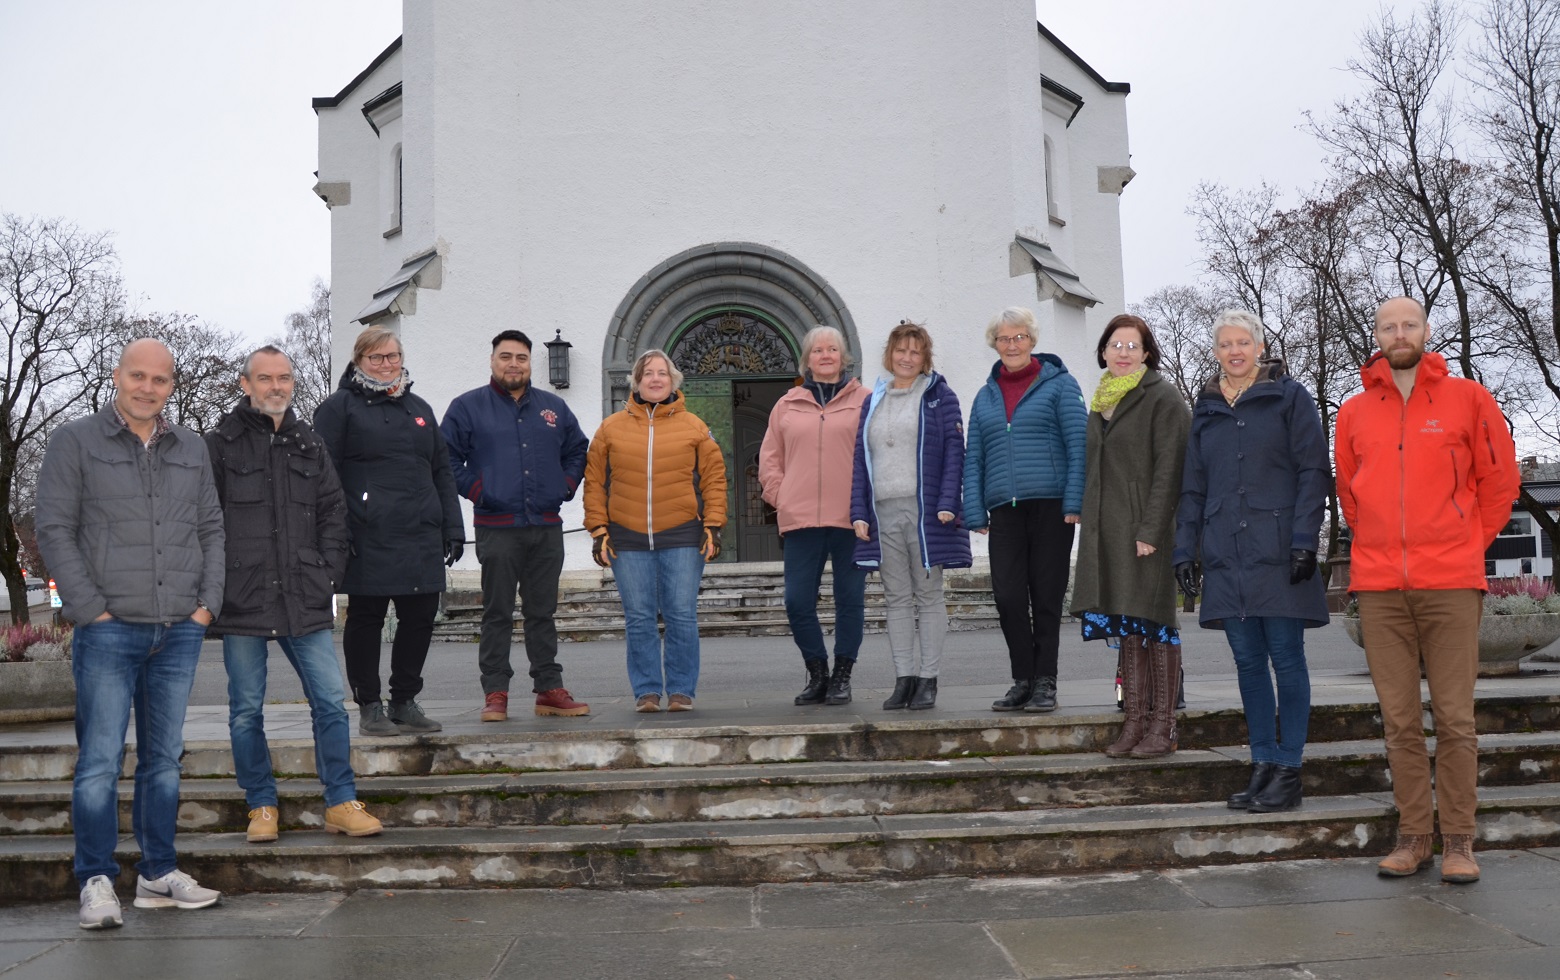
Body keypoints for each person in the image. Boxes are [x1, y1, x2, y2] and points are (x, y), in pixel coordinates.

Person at [35, 338, 226, 929]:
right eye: (137, 375)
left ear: (172, 386)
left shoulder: (191, 447)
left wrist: (206, 606)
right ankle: (95, 879)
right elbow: (54, 528)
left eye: (160, 379)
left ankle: (157, 874)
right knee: (98, 761)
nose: (147, 387)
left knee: (164, 760)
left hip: (179, 629)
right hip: (108, 630)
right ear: (116, 376)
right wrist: (90, 610)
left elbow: (212, 528)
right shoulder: (75, 441)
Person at [1337, 296, 1519, 884]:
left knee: (1455, 718)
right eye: (1387, 326)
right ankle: (1414, 836)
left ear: (1425, 331)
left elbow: (1500, 480)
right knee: (1399, 720)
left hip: (1450, 582)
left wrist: (1466, 542)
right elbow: (1350, 493)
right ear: (1377, 335)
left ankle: (1460, 841)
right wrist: (1377, 543)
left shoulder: (1469, 399)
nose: (1399, 333)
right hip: (1381, 586)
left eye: (1408, 324)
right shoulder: (1354, 411)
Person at [206, 346, 384, 845]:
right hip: (242, 599)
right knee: (245, 709)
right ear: (246, 384)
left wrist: (326, 574)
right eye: (265, 378)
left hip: (303, 596)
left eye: (284, 377)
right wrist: (215, 583)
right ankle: (261, 805)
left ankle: (341, 801)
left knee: (330, 701)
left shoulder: (310, 443)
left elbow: (334, 513)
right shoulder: (219, 444)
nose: (276, 386)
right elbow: (205, 520)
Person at [1172, 311, 1329, 814]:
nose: (1235, 351)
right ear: (1215, 351)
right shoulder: (1206, 409)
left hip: (1279, 550)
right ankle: (1262, 763)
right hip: (1225, 554)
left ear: (1261, 347)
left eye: (1244, 342)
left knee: (1285, 657)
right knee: (1247, 663)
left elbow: (1312, 471)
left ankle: (1289, 770)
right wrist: (1184, 548)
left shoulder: (1290, 397)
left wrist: (1305, 540)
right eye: (1225, 344)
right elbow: (1193, 486)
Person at [313, 326, 464, 736]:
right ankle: (369, 705)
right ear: (359, 361)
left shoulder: (419, 408)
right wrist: (336, 533)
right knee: (366, 617)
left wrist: (453, 526)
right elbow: (323, 476)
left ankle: (404, 701)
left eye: (392, 356)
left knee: (420, 616)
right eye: (376, 358)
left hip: (420, 533)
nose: (386, 364)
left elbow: (441, 471)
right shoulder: (339, 408)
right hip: (367, 534)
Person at [442, 330, 591, 721]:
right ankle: (496, 693)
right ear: (492, 361)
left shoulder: (554, 408)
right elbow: (445, 458)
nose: (513, 364)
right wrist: (478, 490)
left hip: (545, 526)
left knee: (543, 612)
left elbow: (578, 449)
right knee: (497, 613)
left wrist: (566, 485)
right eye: (506, 356)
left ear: (530, 363)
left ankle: (548, 689)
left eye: (521, 358)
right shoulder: (467, 407)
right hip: (497, 527)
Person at [1071, 314, 1191, 759]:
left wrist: (1152, 529)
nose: (1123, 353)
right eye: (1115, 345)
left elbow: (1170, 470)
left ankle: (1164, 726)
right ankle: (1134, 722)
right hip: (1109, 531)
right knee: (1128, 624)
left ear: (1146, 353)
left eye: (1132, 346)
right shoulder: (1102, 400)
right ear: (1103, 351)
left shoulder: (1162, 397)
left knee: (1156, 621)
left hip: (1145, 530)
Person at [583, 350, 727, 712]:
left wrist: (713, 526)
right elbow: (594, 482)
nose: (656, 379)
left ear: (673, 380)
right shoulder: (610, 428)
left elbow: (714, 479)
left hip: (681, 535)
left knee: (681, 615)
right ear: (636, 380)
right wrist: (598, 529)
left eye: (663, 373)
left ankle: (681, 690)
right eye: (648, 373)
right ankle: (646, 691)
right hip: (627, 539)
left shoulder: (694, 426)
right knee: (639, 618)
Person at [962, 306, 1087, 713]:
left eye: (1019, 337)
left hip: (1052, 506)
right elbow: (974, 455)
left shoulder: (1060, 385)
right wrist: (975, 510)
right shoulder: (985, 396)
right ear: (994, 344)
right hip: (1005, 510)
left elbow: (1078, 445)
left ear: (1032, 341)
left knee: (1046, 596)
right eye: (1004, 338)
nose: (1011, 344)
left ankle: (1045, 681)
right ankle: (1023, 679)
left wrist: (1074, 500)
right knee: (1009, 596)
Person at [851, 321, 971, 710]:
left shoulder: (939, 396)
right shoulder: (873, 400)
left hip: (924, 513)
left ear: (925, 359)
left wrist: (948, 502)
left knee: (928, 594)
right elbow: (860, 461)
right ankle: (903, 678)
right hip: (882, 511)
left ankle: (928, 679)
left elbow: (955, 452)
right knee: (897, 598)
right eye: (900, 350)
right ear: (890, 355)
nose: (906, 357)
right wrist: (859, 512)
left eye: (914, 352)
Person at [758, 325, 871, 706]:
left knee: (850, 600)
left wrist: (868, 503)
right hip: (801, 519)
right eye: (818, 350)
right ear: (807, 359)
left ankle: (843, 675)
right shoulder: (786, 404)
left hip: (852, 520)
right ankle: (817, 672)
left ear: (844, 357)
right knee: (796, 602)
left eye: (833, 349)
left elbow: (877, 455)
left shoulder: (866, 400)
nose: (825, 355)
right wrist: (781, 497)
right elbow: (769, 458)